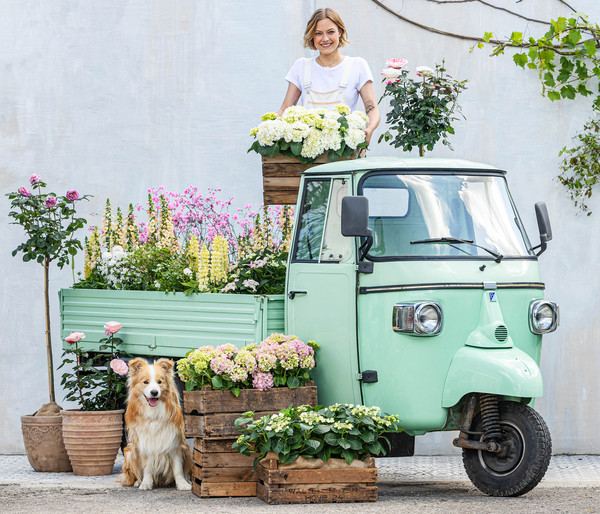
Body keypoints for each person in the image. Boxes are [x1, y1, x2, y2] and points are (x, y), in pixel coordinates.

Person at [277, 7, 380, 144]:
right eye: (318, 33)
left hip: (345, 150)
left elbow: (371, 109)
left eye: (330, 32)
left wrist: (370, 129)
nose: (325, 39)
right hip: (307, 151)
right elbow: (285, 109)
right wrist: (269, 127)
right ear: (312, 36)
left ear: (340, 32)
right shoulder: (301, 66)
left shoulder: (357, 65)